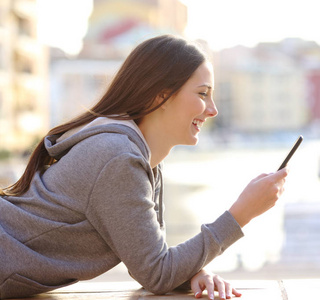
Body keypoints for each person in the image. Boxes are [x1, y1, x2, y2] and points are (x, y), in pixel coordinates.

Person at [0, 35, 288, 300]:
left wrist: (192, 273)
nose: (213, 109)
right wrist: (241, 214)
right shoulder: (118, 158)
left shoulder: (141, 159)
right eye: (202, 94)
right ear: (161, 96)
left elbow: (152, 264)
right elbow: (158, 273)